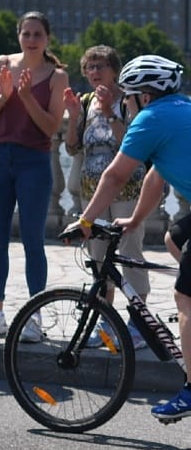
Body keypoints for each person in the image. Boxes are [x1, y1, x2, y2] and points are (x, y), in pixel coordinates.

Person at [73, 55, 191, 420]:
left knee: (184, 294)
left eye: (129, 95)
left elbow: (114, 176)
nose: (125, 102)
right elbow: (156, 175)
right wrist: (134, 219)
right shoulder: (181, 108)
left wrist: (86, 220)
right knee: (174, 240)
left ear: (144, 96)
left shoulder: (150, 119)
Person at [0, 11, 69, 342]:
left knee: (33, 242)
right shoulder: (1, 64)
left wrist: (26, 97)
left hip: (34, 162)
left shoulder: (57, 77)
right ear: (18, 36)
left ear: (47, 39)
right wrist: (5, 94)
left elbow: (52, 127)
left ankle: (34, 319)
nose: (31, 39)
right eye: (26, 33)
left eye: (37, 34)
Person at [63, 45, 148, 348]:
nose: (94, 72)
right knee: (99, 260)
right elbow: (72, 148)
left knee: (130, 255)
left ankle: (138, 324)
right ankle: (105, 322)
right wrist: (73, 117)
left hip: (127, 190)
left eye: (100, 66)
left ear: (115, 70)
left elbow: (135, 144)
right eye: (89, 67)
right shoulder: (85, 102)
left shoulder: (128, 102)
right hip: (92, 193)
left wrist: (112, 111)